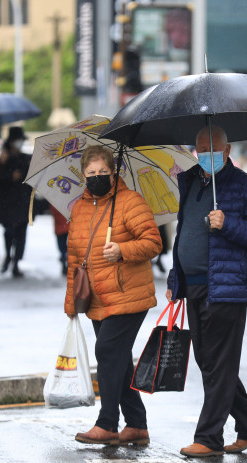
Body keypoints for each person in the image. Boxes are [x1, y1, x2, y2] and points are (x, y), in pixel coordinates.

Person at [166, 125, 247, 458]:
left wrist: (227, 223)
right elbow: (183, 236)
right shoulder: (188, 182)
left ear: (227, 151)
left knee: (219, 365)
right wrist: (176, 279)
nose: (207, 155)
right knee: (209, 362)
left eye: (214, 149)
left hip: (227, 290)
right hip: (194, 286)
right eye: (201, 149)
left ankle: (209, 438)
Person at [64, 145, 162, 446]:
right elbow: (73, 258)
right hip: (96, 298)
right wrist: (71, 302)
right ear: (83, 175)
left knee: (107, 352)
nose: (96, 177)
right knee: (117, 358)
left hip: (127, 294)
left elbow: (153, 242)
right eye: (90, 173)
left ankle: (107, 423)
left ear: (113, 172)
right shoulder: (79, 208)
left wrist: (122, 251)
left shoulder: (129, 201)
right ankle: (136, 424)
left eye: (102, 172)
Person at [0, 126, 32, 278]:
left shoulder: (26, 158)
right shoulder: (3, 158)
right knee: (9, 232)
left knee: (21, 233)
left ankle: (16, 262)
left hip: (23, 201)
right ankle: (8, 255)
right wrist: (9, 176)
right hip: (7, 202)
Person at [50, 204, 69, 276]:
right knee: (68, 244)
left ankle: (64, 257)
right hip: (67, 224)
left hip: (60, 225)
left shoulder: (55, 200)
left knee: (62, 245)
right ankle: (65, 258)